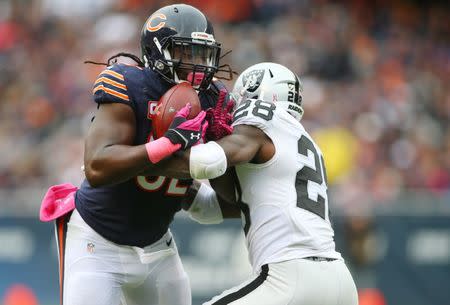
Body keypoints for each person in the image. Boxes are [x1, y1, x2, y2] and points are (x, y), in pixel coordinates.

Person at [44, 4, 231, 305]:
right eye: (186, 53)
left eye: (202, 54)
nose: (197, 64)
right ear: (157, 52)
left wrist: (225, 154)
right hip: (97, 242)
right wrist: (167, 144)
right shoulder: (130, 84)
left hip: (157, 246)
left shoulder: (212, 99)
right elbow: (97, 166)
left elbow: (220, 194)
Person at [161, 62, 359, 305]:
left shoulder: (264, 116)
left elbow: (209, 161)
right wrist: (174, 185)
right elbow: (214, 207)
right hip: (339, 281)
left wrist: (148, 156)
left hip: (292, 275)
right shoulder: (302, 143)